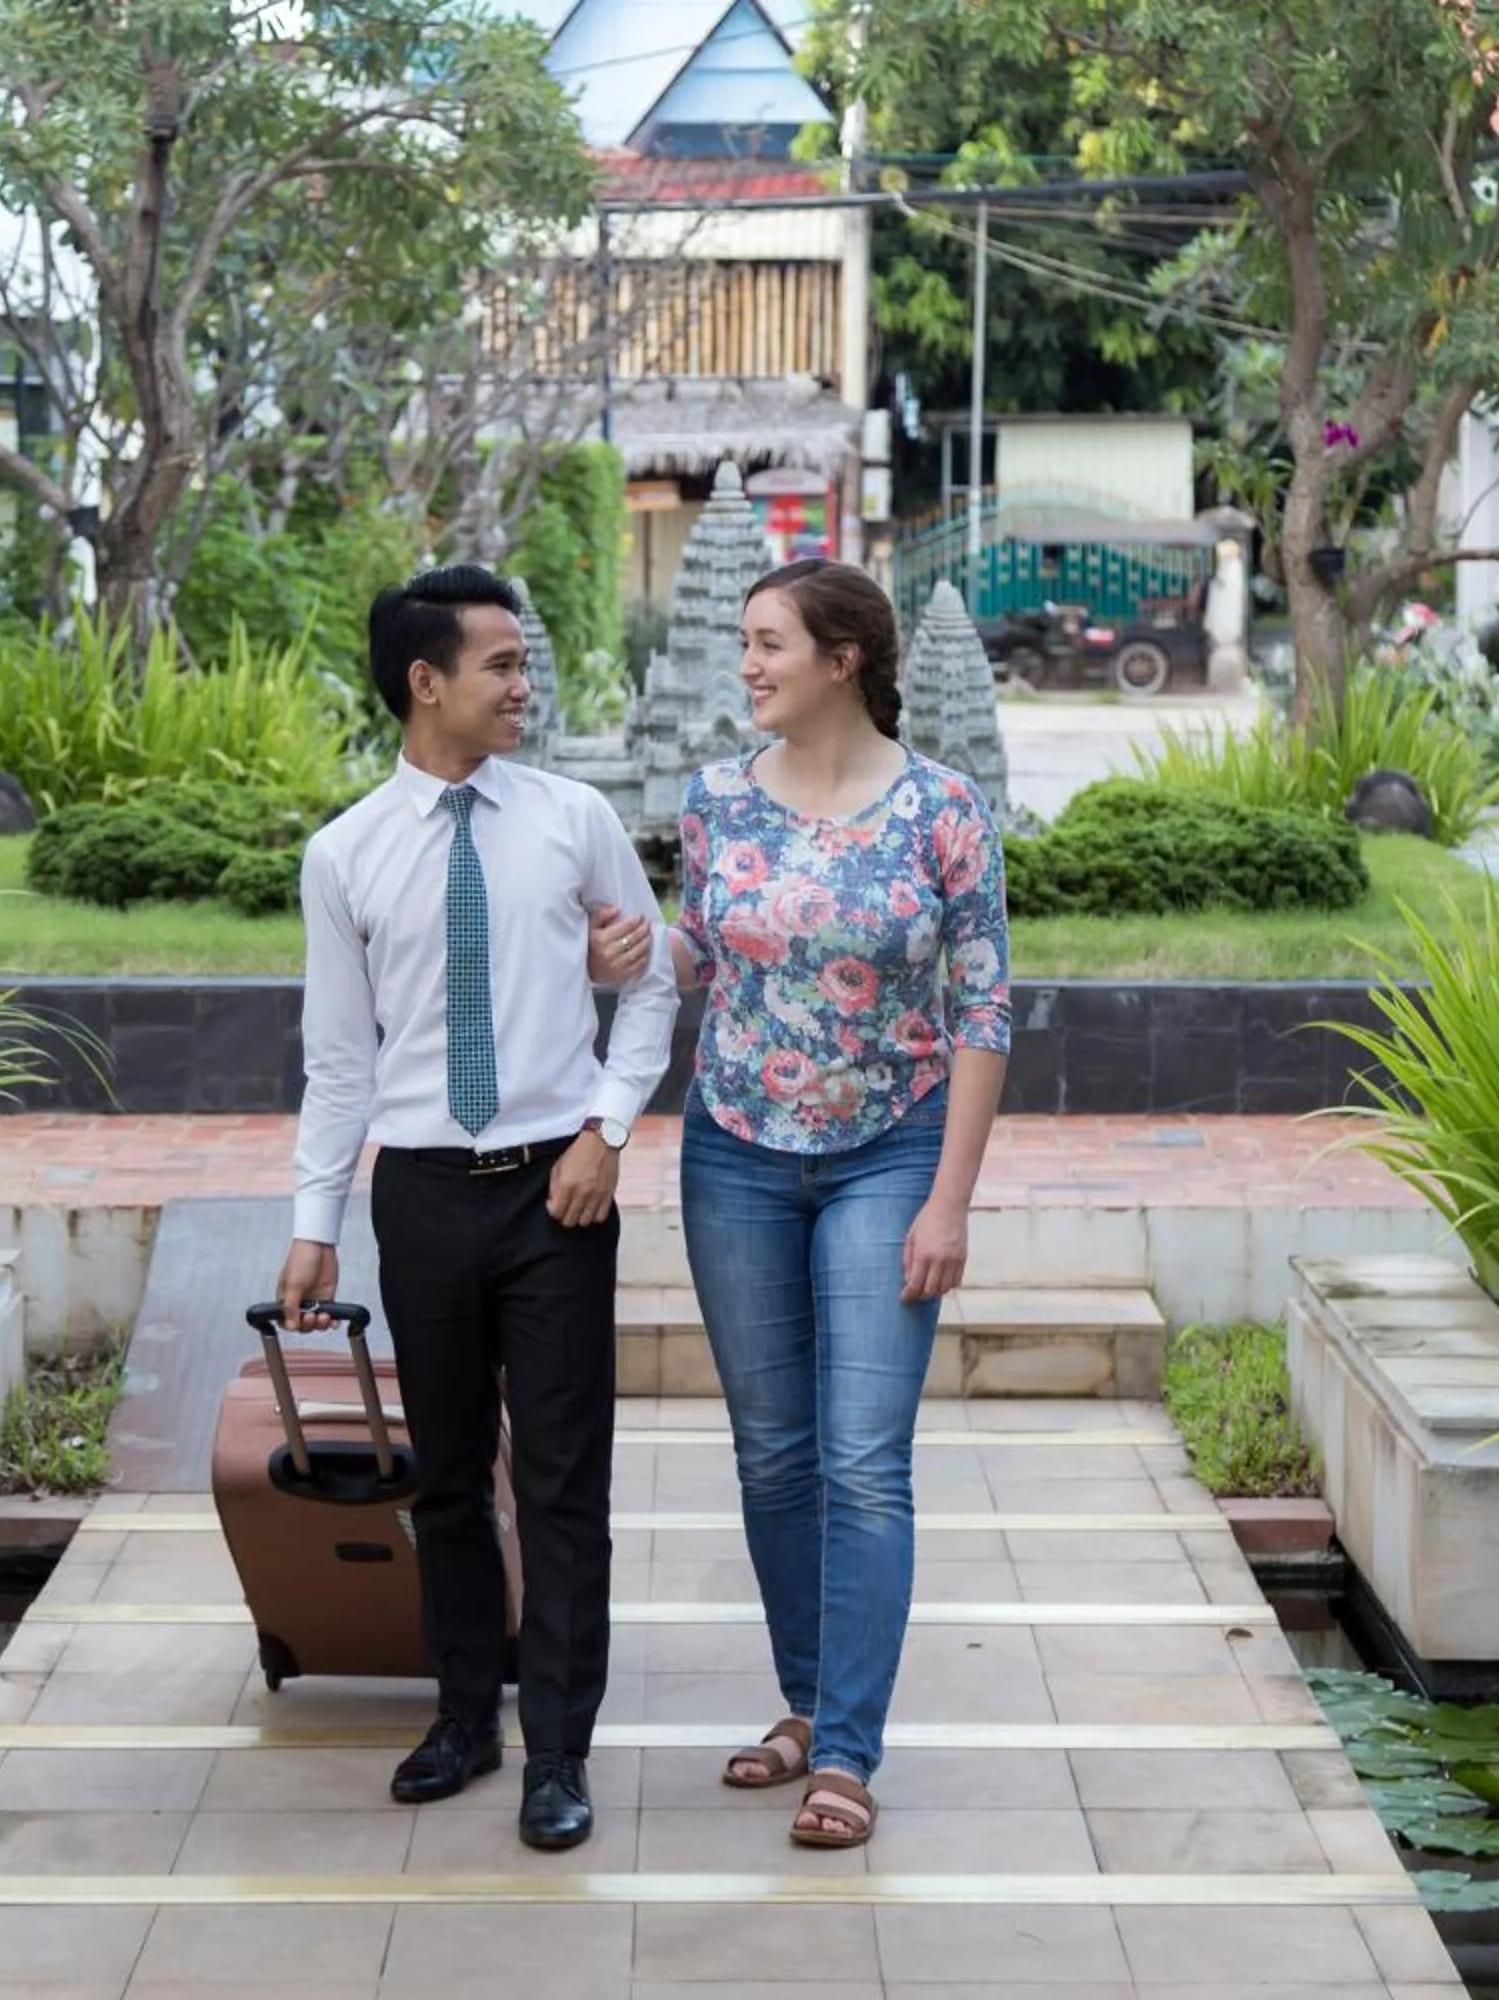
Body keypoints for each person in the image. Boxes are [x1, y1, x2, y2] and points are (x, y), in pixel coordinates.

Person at [276, 563, 678, 1853]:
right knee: (445, 1478)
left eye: (526, 661)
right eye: (501, 665)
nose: (526, 684)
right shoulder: (342, 855)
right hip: (425, 1201)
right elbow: (338, 1059)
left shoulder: (572, 819)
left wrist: (607, 1130)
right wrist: (313, 1219)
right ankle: (465, 1714)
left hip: (558, 1192)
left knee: (565, 1488)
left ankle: (558, 1751)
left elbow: (657, 983)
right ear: (426, 682)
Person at [663, 557, 1010, 1850]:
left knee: (864, 1461)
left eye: (769, 644)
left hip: (888, 1151)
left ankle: (848, 1755)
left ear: (842, 656)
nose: (747, 664)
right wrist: (644, 948)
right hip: (735, 1151)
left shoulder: (944, 809)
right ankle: (804, 1704)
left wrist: (949, 1202)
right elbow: (704, 945)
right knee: (773, 1453)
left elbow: (982, 1006)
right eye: (745, 642)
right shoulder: (713, 802)